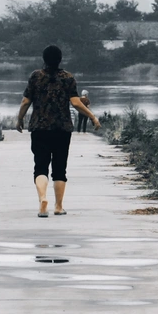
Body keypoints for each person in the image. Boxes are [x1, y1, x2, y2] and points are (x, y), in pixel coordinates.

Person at [16, 45, 100, 217]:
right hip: (62, 128)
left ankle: (42, 201)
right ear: (60, 59)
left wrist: (19, 119)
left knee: (40, 166)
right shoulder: (68, 78)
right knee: (60, 168)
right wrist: (92, 116)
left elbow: (25, 101)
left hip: (39, 128)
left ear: (44, 59)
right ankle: (59, 206)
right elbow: (76, 103)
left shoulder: (35, 76)